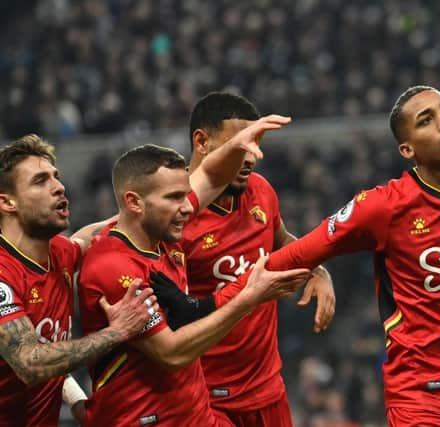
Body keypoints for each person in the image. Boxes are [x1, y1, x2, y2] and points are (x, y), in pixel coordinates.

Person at [159, 86, 440, 426]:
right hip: (422, 403)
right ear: (407, 150)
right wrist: (210, 306)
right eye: (427, 120)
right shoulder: (382, 206)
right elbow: (295, 254)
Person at [77, 117, 312, 426]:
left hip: (196, 416)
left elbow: (212, 176)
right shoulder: (114, 266)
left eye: (185, 195)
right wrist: (249, 298)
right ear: (134, 202)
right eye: (175, 198)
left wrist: (237, 144)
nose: (188, 208)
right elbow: (172, 354)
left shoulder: (164, 235)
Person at [178, 92, 335, 426]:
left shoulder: (260, 190)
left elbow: (282, 241)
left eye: (257, 143)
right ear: (202, 142)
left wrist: (316, 270)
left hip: (268, 390)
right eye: (241, 144)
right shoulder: (173, 216)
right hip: (205, 395)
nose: (251, 157)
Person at [0, 134, 158, 427]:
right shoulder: (3, 274)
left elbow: (94, 234)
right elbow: (30, 362)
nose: (59, 187)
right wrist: (117, 331)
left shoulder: (59, 253)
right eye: (40, 181)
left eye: (56, 177)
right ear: (7, 202)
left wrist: (75, 400)